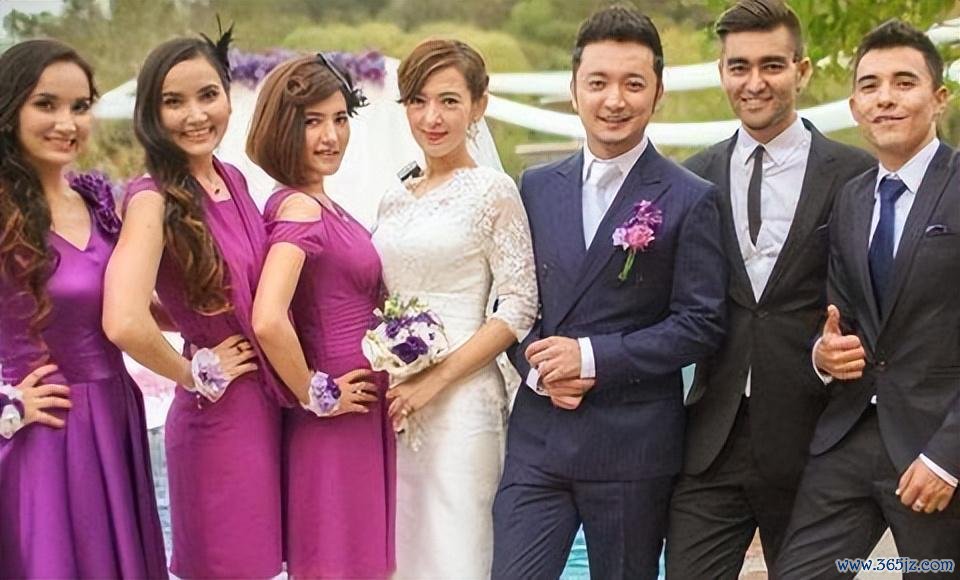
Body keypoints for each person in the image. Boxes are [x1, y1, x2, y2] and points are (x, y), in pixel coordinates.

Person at [492, 6, 727, 579]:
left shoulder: (691, 197)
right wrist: (539, 369)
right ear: (574, 89)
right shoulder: (534, 187)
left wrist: (591, 358)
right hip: (539, 438)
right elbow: (512, 298)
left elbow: (699, 323)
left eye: (633, 84)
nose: (614, 100)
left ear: (658, 92)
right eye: (598, 82)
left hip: (632, 448)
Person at [666, 1, 875, 576]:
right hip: (711, 441)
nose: (754, 82)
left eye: (772, 65)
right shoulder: (693, 177)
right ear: (722, 73)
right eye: (739, 67)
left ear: (801, 71)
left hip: (817, 441)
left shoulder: (856, 175)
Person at [775, 20, 959, 578]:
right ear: (855, 106)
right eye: (870, 85)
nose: (885, 98)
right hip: (849, 438)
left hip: (936, 448)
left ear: (939, 98)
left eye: (904, 82)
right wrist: (823, 353)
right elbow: (843, 316)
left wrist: (949, 457)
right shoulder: (852, 200)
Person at [103, 33, 289, 578]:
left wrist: (190, 318)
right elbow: (123, 318)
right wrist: (194, 370)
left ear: (228, 95)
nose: (195, 115)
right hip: (219, 422)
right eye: (173, 101)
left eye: (207, 95)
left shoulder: (232, 179)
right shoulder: (151, 197)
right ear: (150, 113)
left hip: (266, 408)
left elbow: (205, 295)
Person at [371, 39, 538, 579]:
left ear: (478, 106)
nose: (432, 118)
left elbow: (520, 304)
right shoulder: (395, 197)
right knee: (403, 550)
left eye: (448, 101)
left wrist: (436, 380)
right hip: (396, 400)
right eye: (418, 102)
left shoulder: (494, 191)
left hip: (463, 401)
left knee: (456, 549)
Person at [0, 39, 166, 578]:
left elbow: (128, 303)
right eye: (46, 104)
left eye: (79, 106)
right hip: (46, 434)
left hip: (115, 415)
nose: (66, 123)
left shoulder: (96, 202)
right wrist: (6, 402)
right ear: (10, 110)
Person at [247, 54, 395, 578]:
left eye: (339, 118)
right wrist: (317, 393)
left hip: (359, 408)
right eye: (313, 121)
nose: (331, 136)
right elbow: (268, 318)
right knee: (337, 561)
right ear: (283, 127)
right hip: (336, 416)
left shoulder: (319, 202)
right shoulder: (300, 209)